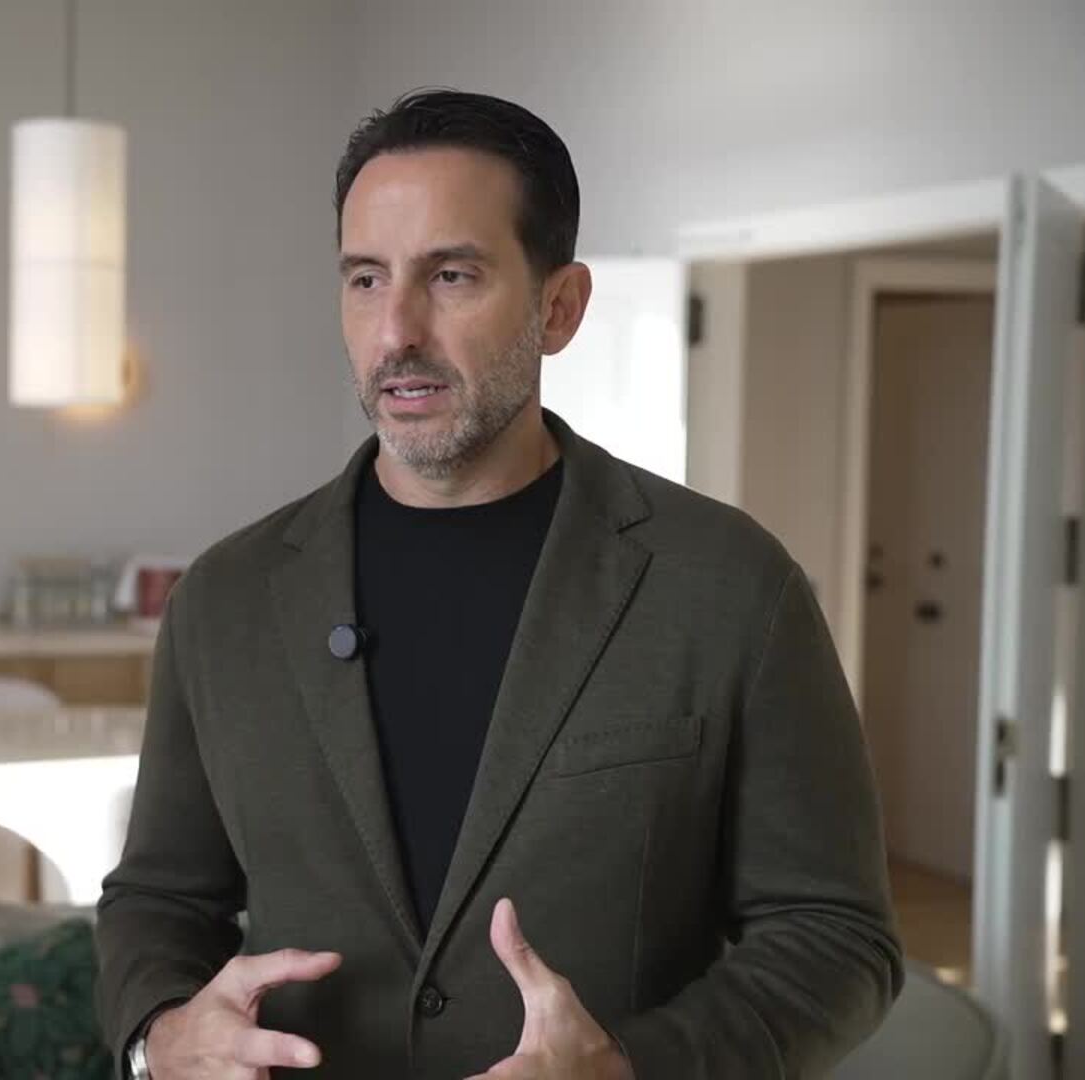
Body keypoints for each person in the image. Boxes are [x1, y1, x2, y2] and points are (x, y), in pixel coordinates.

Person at [94, 89, 902, 1079]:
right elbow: (159, 899)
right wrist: (159, 1038)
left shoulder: (731, 586)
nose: (396, 331)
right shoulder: (225, 600)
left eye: (452, 275)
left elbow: (835, 934)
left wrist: (630, 1067)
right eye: (365, 278)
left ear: (559, 308)